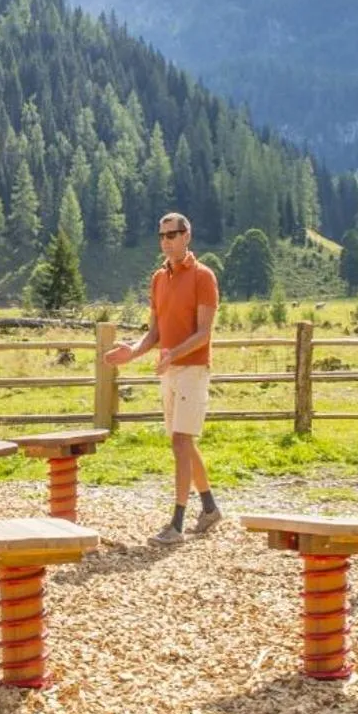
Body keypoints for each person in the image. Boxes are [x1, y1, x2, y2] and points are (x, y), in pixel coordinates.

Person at [104, 211, 221, 545]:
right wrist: (133, 351)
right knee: (183, 441)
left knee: (180, 442)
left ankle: (178, 524)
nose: (166, 241)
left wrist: (174, 354)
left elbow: (203, 333)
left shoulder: (204, 277)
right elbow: (154, 333)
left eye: (173, 234)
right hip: (169, 368)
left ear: (188, 236)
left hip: (194, 369)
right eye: (162, 236)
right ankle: (210, 508)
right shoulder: (158, 279)